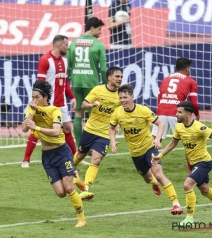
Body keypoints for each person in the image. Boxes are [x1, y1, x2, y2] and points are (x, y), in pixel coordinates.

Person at [109, 84, 183, 215]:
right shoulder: (117, 112)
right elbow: (111, 127)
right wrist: (113, 141)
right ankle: (154, 183)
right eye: (120, 97)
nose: (122, 100)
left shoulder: (143, 110)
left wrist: (157, 139)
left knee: (158, 173)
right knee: (148, 179)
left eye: (125, 97)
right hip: (135, 153)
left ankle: (176, 204)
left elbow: (161, 123)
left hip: (149, 148)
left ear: (132, 97)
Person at [22, 80, 86, 228]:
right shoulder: (31, 108)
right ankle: (75, 178)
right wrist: (31, 113)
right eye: (32, 97)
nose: (34, 100)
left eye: (37, 97)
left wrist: (36, 127)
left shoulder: (54, 110)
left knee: (69, 188)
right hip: (47, 156)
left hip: (62, 152)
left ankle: (81, 219)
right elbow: (25, 129)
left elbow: (57, 132)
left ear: (45, 97)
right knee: (61, 193)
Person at [152, 101, 212, 226]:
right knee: (205, 190)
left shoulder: (199, 127)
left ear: (189, 114)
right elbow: (173, 143)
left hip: (204, 162)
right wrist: (160, 156)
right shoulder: (179, 127)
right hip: (193, 163)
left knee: (187, 185)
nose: (176, 115)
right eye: (177, 111)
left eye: (179, 112)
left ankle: (189, 219)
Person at [21, 35, 77, 168]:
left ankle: (76, 159)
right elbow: (40, 84)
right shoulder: (45, 60)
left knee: (68, 128)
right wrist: (38, 100)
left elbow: (65, 82)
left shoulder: (65, 61)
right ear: (59, 45)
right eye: (66, 45)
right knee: (36, 129)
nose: (68, 48)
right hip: (47, 103)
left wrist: (72, 97)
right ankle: (26, 159)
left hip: (61, 102)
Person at [73, 67, 123, 199]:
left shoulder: (121, 95)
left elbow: (121, 112)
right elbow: (83, 104)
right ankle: (69, 170)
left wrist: (117, 125)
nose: (120, 79)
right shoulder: (97, 90)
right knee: (79, 156)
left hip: (105, 133)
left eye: (121, 77)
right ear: (109, 77)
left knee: (96, 159)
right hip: (90, 129)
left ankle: (86, 188)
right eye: (117, 76)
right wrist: (92, 105)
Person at [152, 57, 200, 173]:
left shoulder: (166, 79)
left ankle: (151, 167)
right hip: (178, 114)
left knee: (154, 141)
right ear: (187, 68)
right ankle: (191, 170)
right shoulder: (191, 81)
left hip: (161, 111)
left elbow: (159, 98)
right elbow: (193, 103)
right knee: (188, 144)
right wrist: (196, 114)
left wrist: (160, 110)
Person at [66, 17, 107, 148]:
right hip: (91, 83)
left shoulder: (73, 43)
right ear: (92, 28)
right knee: (93, 114)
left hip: (76, 82)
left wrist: (68, 81)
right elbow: (104, 69)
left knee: (78, 112)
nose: (101, 33)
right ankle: (91, 145)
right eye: (99, 29)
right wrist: (106, 85)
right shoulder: (99, 45)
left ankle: (79, 146)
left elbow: (67, 65)